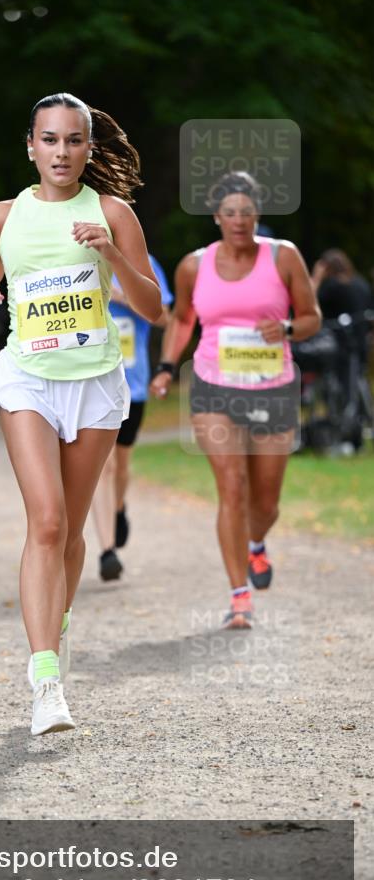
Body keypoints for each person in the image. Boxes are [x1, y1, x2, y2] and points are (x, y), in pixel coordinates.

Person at [0, 92, 163, 736]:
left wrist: (110, 252)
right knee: (46, 522)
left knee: (73, 534)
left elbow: (153, 308)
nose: (61, 151)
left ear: (88, 147)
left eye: (73, 140)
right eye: (49, 140)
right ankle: (46, 680)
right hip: (28, 378)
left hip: (95, 384)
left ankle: (59, 620)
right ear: (30, 146)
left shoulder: (112, 212)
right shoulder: (0, 215)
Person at [151, 172, 321, 628]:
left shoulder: (284, 257)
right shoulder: (194, 265)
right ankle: (239, 596)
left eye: (247, 212)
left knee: (265, 504)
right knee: (231, 486)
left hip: (272, 388)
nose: (239, 220)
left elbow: (312, 317)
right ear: (216, 217)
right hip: (215, 386)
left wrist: (286, 328)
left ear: (257, 214)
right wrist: (166, 366)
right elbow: (183, 319)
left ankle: (256, 544)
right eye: (230, 212)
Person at [91, 253, 173, 580]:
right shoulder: (75, 254)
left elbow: (164, 317)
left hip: (132, 383)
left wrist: (119, 296)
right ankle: (107, 551)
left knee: (121, 464)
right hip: (94, 381)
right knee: (105, 465)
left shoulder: (144, 261)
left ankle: (118, 507)